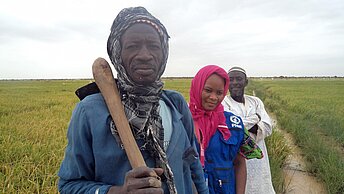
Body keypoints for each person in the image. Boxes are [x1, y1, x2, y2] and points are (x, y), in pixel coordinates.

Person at [57, 6, 208, 194]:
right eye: (132, 46)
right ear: (117, 52)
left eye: (153, 46)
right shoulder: (90, 111)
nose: (145, 55)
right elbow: (69, 186)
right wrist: (119, 191)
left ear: (164, 52)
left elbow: (193, 168)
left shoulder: (175, 104)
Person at [189, 65, 247, 194]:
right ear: (197, 87)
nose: (214, 97)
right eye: (208, 90)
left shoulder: (233, 124)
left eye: (219, 93)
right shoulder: (180, 120)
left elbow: (239, 163)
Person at [222, 66, 275, 194]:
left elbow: (268, 126)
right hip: (237, 160)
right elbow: (231, 129)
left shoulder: (256, 101)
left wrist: (240, 124)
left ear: (246, 82)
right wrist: (256, 118)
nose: (235, 83)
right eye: (231, 79)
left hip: (259, 160)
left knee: (261, 187)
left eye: (239, 79)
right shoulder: (223, 103)